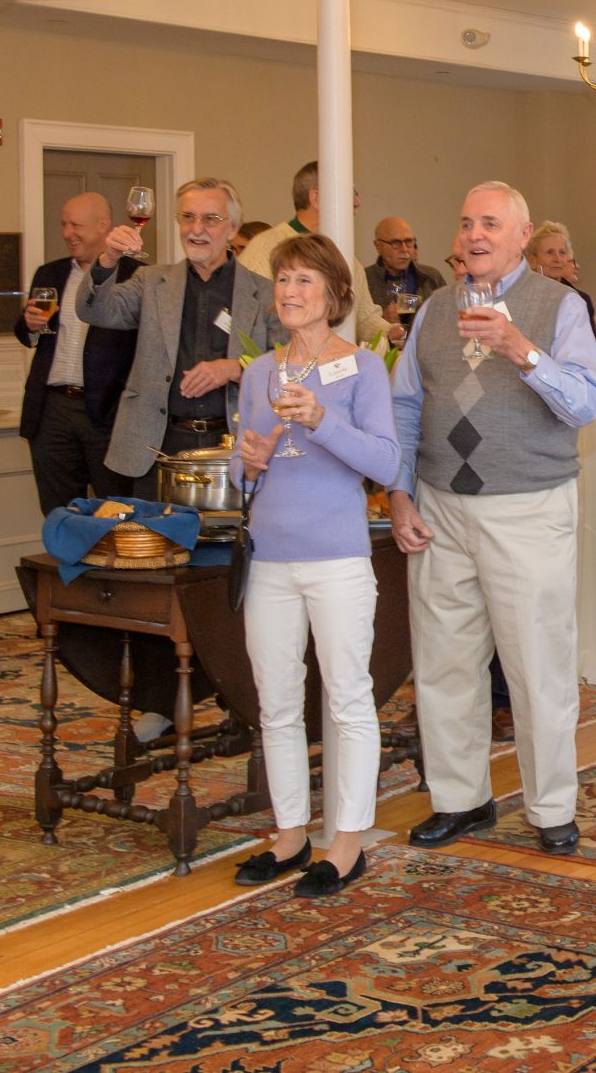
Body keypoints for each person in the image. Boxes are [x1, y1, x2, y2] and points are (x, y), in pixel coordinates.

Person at [388, 182, 596, 856]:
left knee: (536, 662)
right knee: (444, 659)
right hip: (440, 505)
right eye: (465, 223)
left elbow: (587, 402)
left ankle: (550, 806)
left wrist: (520, 348)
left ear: (521, 234)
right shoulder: (431, 311)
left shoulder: (558, 305)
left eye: (490, 223)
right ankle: (460, 798)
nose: (475, 234)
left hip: (527, 505)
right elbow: (402, 405)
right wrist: (398, 492)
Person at [229, 233, 400, 899]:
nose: (291, 292)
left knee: (348, 697)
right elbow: (245, 473)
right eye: (284, 281)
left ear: (333, 295)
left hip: (336, 557)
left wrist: (323, 418)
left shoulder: (362, 368)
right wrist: (246, 460)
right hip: (270, 556)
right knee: (274, 703)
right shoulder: (257, 373)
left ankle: (347, 841)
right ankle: (291, 833)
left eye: (305, 281)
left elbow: (386, 463)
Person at [78, 178, 283, 490]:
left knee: (228, 539)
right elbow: (94, 310)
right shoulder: (150, 281)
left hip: (233, 445)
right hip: (158, 447)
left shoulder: (266, 293)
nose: (195, 229)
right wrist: (108, 259)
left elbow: (289, 366)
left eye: (210, 219)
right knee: (157, 538)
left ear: (232, 229)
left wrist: (236, 368)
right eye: (187, 217)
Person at [16, 193, 142, 514]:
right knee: (59, 514)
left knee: (117, 512)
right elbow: (28, 334)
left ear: (103, 226)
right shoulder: (49, 274)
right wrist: (30, 324)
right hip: (52, 412)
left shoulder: (137, 277)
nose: (67, 233)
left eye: (75, 225)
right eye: (64, 224)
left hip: (108, 414)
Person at [240, 161, 397, 345]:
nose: (357, 203)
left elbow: (364, 320)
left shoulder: (346, 257)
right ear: (316, 199)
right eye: (351, 193)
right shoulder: (264, 249)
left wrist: (394, 332)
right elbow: (251, 318)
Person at [365, 215, 446, 332]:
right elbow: (357, 328)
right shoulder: (365, 279)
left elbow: (449, 319)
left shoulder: (432, 277)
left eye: (408, 241)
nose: (404, 249)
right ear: (378, 246)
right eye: (395, 243)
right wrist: (382, 322)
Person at [526, 221, 596, 326]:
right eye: (550, 252)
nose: (557, 259)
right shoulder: (521, 295)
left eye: (562, 253)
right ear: (532, 260)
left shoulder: (580, 300)